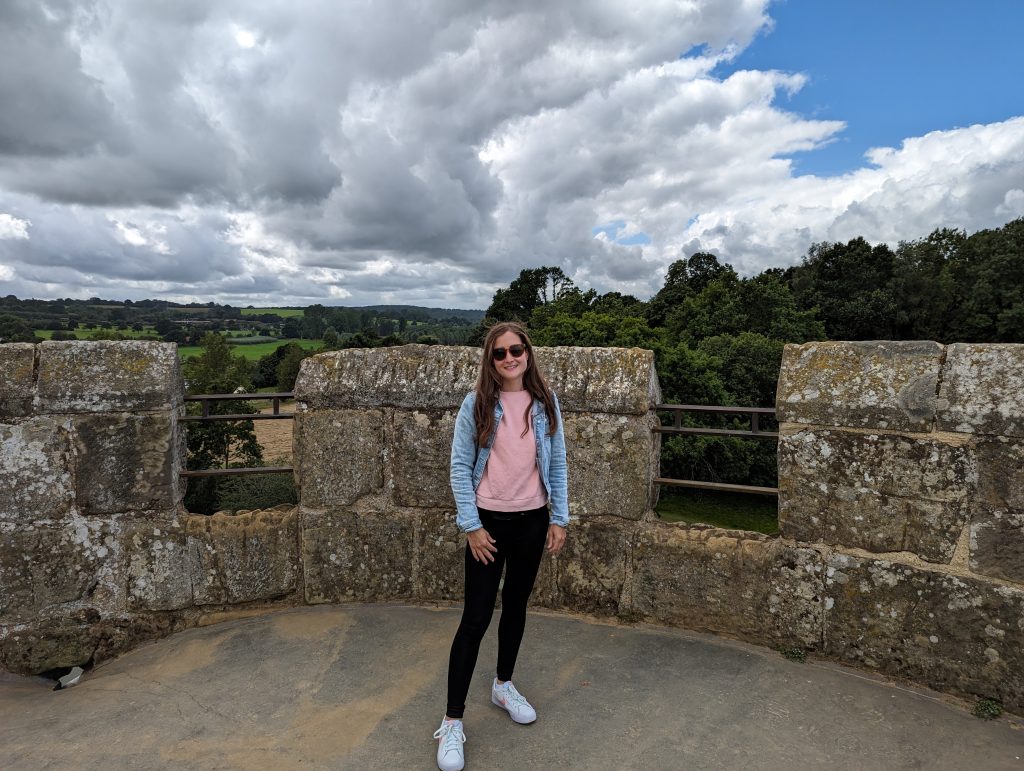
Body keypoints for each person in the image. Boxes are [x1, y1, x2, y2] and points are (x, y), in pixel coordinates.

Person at [433, 322, 569, 771]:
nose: (510, 358)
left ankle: (503, 685)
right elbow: (459, 468)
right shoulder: (477, 405)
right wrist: (470, 525)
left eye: (517, 349)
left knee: (516, 606)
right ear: (490, 361)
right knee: (474, 618)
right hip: (487, 525)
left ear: (528, 353)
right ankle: (453, 721)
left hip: (532, 520)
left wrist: (559, 517)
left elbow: (558, 463)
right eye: (500, 353)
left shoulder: (546, 404)